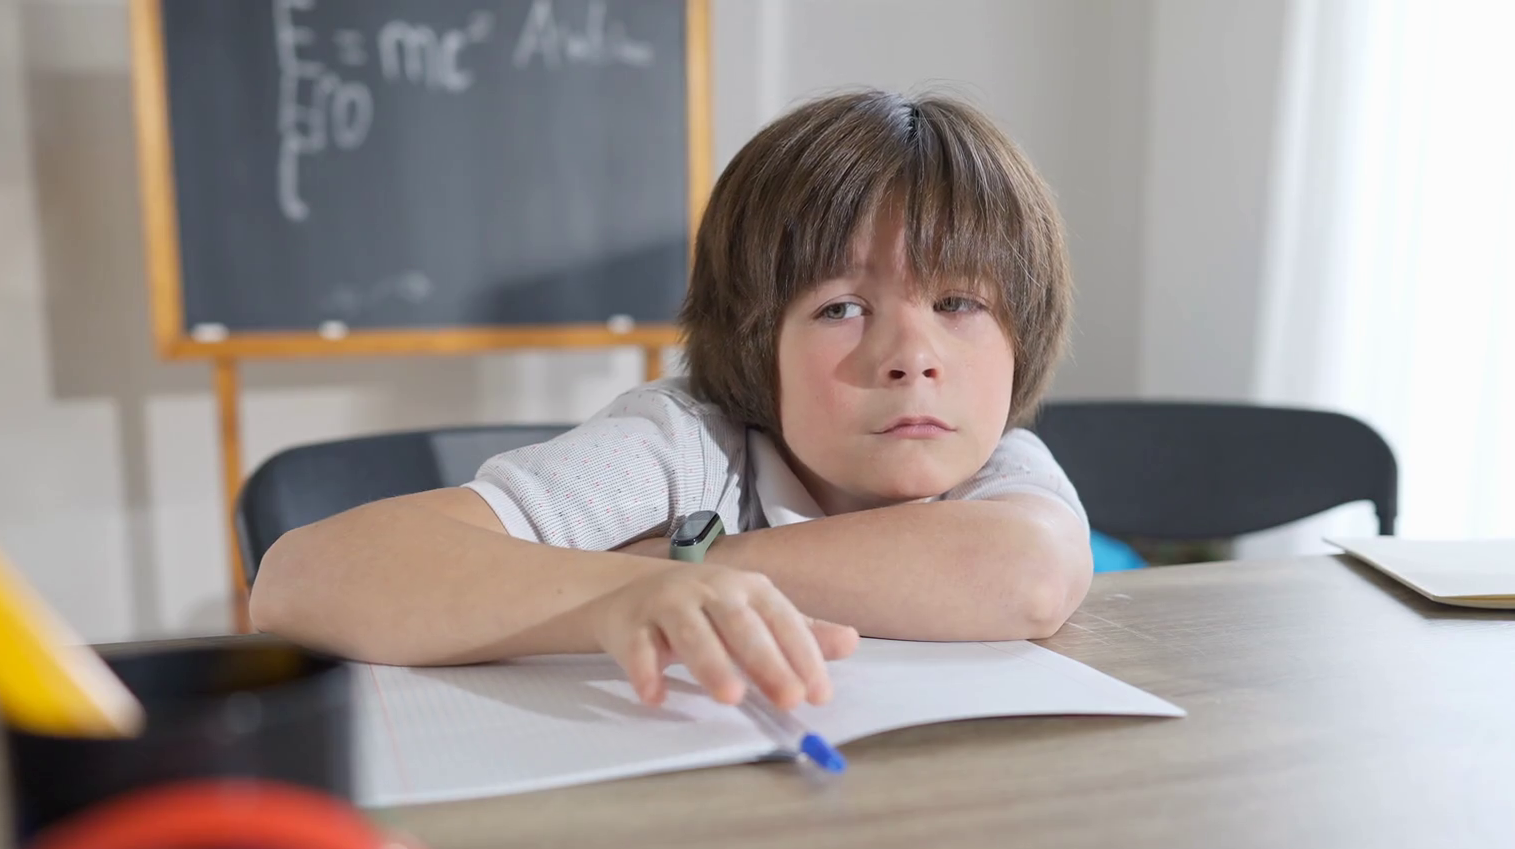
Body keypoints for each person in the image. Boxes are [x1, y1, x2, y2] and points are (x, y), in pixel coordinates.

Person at [251, 90, 1092, 712]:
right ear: (756, 340)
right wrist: (622, 602)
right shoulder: (689, 446)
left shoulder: (997, 458)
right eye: (840, 308)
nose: (913, 359)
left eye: (959, 305)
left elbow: (1028, 575)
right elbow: (298, 582)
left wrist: (674, 571)